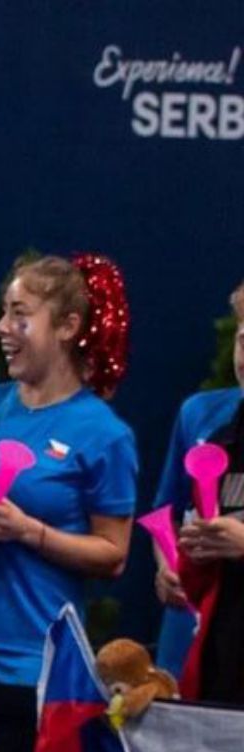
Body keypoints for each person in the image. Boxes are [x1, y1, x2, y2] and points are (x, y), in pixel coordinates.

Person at [0, 255, 136, 689]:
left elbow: (113, 555)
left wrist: (28, 531)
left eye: (19, 314)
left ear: (67, 326)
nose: (1, 326)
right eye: (4, 311)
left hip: (33, 659)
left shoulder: (104, 434)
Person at [149, 279, 244, 683]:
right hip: (198, 646)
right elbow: (166, 513)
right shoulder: (210, 421)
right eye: (243, 340)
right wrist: (170, 566)